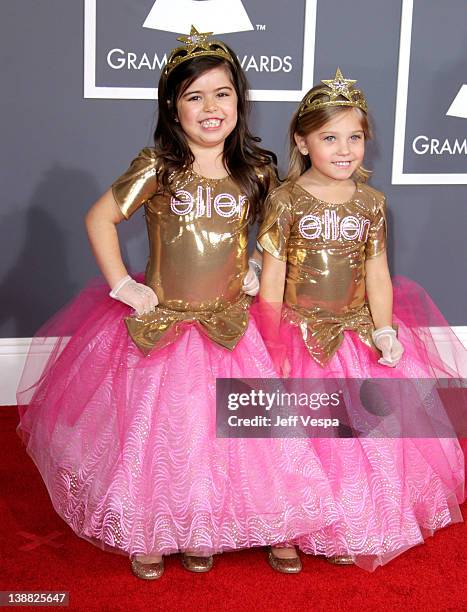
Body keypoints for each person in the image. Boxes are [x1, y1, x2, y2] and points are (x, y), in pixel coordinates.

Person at [17, 27, 284, 580]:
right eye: (194, 96)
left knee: (217, 432)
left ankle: (200, 524)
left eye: (222, 93)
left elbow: (271, 235)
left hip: (229, 325)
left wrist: (257, 267)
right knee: (163, 432)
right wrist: (123, 284)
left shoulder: (256, 171)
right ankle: (151, 525)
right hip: (164, 324)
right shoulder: (158, 167)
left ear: (240, 99)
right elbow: (100, 218)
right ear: (172, 106)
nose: (210, 108)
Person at [257, 68, 466, 570]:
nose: (345, 149)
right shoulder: (284, 201)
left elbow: (377, 272)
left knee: (354, 434)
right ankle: (284, 525)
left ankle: (346, 518)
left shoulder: (371, 202)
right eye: (330, 137)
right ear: (303, 142)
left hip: (353, 332)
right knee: (292, 434)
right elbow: (271, 280)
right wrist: (275, 345)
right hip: (298, 331)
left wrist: (385, 329)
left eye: (355, 137)